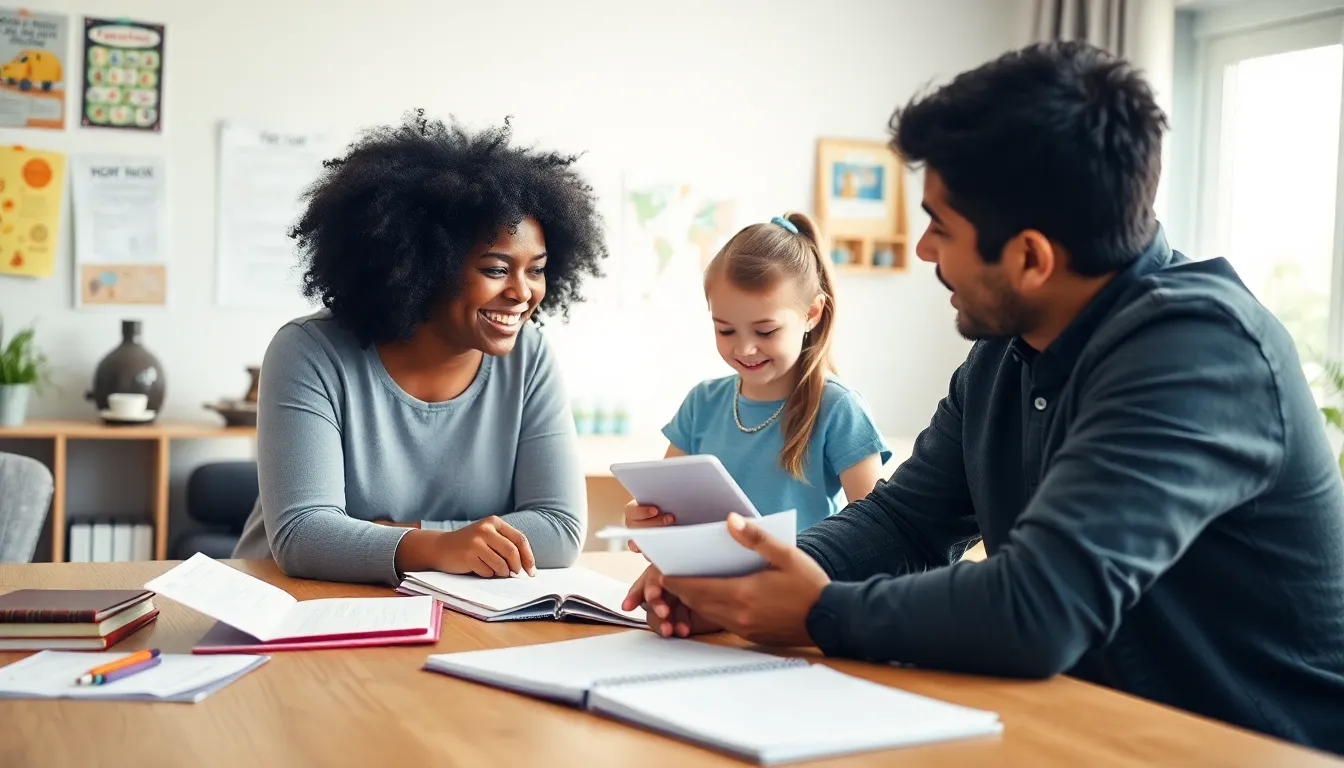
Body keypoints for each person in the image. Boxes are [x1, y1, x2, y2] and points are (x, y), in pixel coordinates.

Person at [622, 41, 1344, 754]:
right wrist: (739, 578)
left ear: (1030, 258)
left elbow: (1037, 607)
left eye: (941, 225)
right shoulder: (1005, 350)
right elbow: (906, 523)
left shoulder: (1199, 352)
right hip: (1079, 730)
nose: (923, 251)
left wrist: (815, 610)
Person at [232, 111, 607, 586]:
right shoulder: (309, 352)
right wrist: (444, 547)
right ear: (423, 268)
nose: (523, 292)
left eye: (536, 269)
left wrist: (404, 539)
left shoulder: (529, 357)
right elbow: (304, 536)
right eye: (495, 269)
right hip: (295, 605)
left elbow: (559, 530)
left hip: (456, 607)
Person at [624, 212, 890, 537]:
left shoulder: (838, 408)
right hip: (707, 582)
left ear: (812, 313)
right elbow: (667, 512)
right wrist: (647, 518)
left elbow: (878, 535)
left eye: (765, 331)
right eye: (725, 330)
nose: (745, 349)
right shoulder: (702, 403)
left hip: (800, 585)